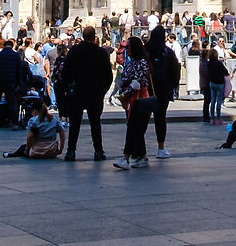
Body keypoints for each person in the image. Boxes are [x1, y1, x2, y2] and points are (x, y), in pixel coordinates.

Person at [58, 27, 112, 159]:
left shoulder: (74, 51)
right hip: (94, 93)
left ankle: (71, 151)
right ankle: (98, 151)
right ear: (94, 37)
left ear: (82, 35)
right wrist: (102, 91)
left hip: (76, 92)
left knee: (75, 124)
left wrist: (67, 89)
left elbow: (65, 72)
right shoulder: (101, 52)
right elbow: (108, 76)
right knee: (95, 123)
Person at [113, 32, 154, 168]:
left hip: (138, 99)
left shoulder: (141, 63)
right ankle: (141, 156)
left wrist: (125, 95)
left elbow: (138, 82)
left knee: (132, 129)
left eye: (128, 47)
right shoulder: (131, 62)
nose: (126, 49)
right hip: (130, 99)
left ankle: (126, 158)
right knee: (135, 130)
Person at [147, 23, 181, 156]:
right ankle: (161, 147)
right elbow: (176, 72)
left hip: (147, 88)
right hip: (163, 90)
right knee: (160, 119)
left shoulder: (146, 50)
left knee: (141, 120)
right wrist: (172, 87)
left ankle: (139, 151)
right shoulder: (168, 52)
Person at [0, 36, 27, 126]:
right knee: (12, 103)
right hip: (11, 82)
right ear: (12, 46)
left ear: (3, 46)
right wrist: (19, 84)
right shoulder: (16, 56)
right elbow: (19, 71)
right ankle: (14, 123)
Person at [201, 41, 230, 123]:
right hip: (219, 83)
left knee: (212, 101)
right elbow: (226, 72)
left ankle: (212, 118)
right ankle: (218, 118)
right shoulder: (219, 63)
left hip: (211, 83)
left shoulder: (209, 63)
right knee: (219, 101)